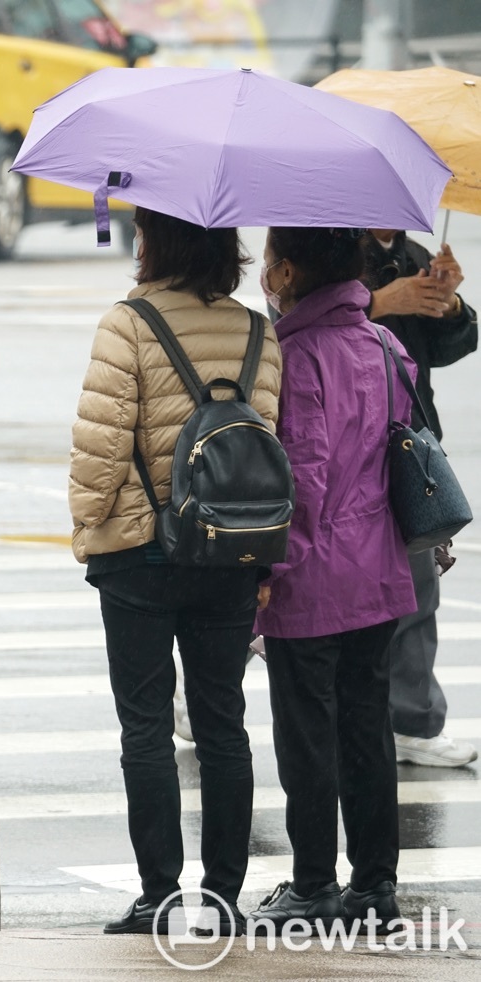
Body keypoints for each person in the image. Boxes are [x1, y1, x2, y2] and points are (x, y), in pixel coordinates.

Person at [69, 206, 282, 936]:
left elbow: (100, 448)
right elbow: (270, 446)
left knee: (147, 729)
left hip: (140, 552)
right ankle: (223, 897)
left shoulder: (127, 324)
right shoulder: (260, 330)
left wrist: (87, 530)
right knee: (224, 723)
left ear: (154, 240)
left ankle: (159, 893)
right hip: (231, 554)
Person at [250, 227, 416, 929]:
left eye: (266, 261)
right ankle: (375, 882)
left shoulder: (295, 355)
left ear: (287, 270)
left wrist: (268, 572)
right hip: (378, 570)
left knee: (307, 734)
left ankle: (314, 881)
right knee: (368, 727)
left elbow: (306, 481)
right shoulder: (386, 346)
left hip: (313, 577)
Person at [364, 230, 478, 768]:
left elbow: (442, 348)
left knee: (417, 580)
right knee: (300, 582)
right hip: (340, 437)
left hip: (407, 437)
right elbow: (291, 320)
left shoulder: (411, 257)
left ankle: (412, 718)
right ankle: (202, 693)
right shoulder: (323, 242)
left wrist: (449, 302)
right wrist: (382, 301)